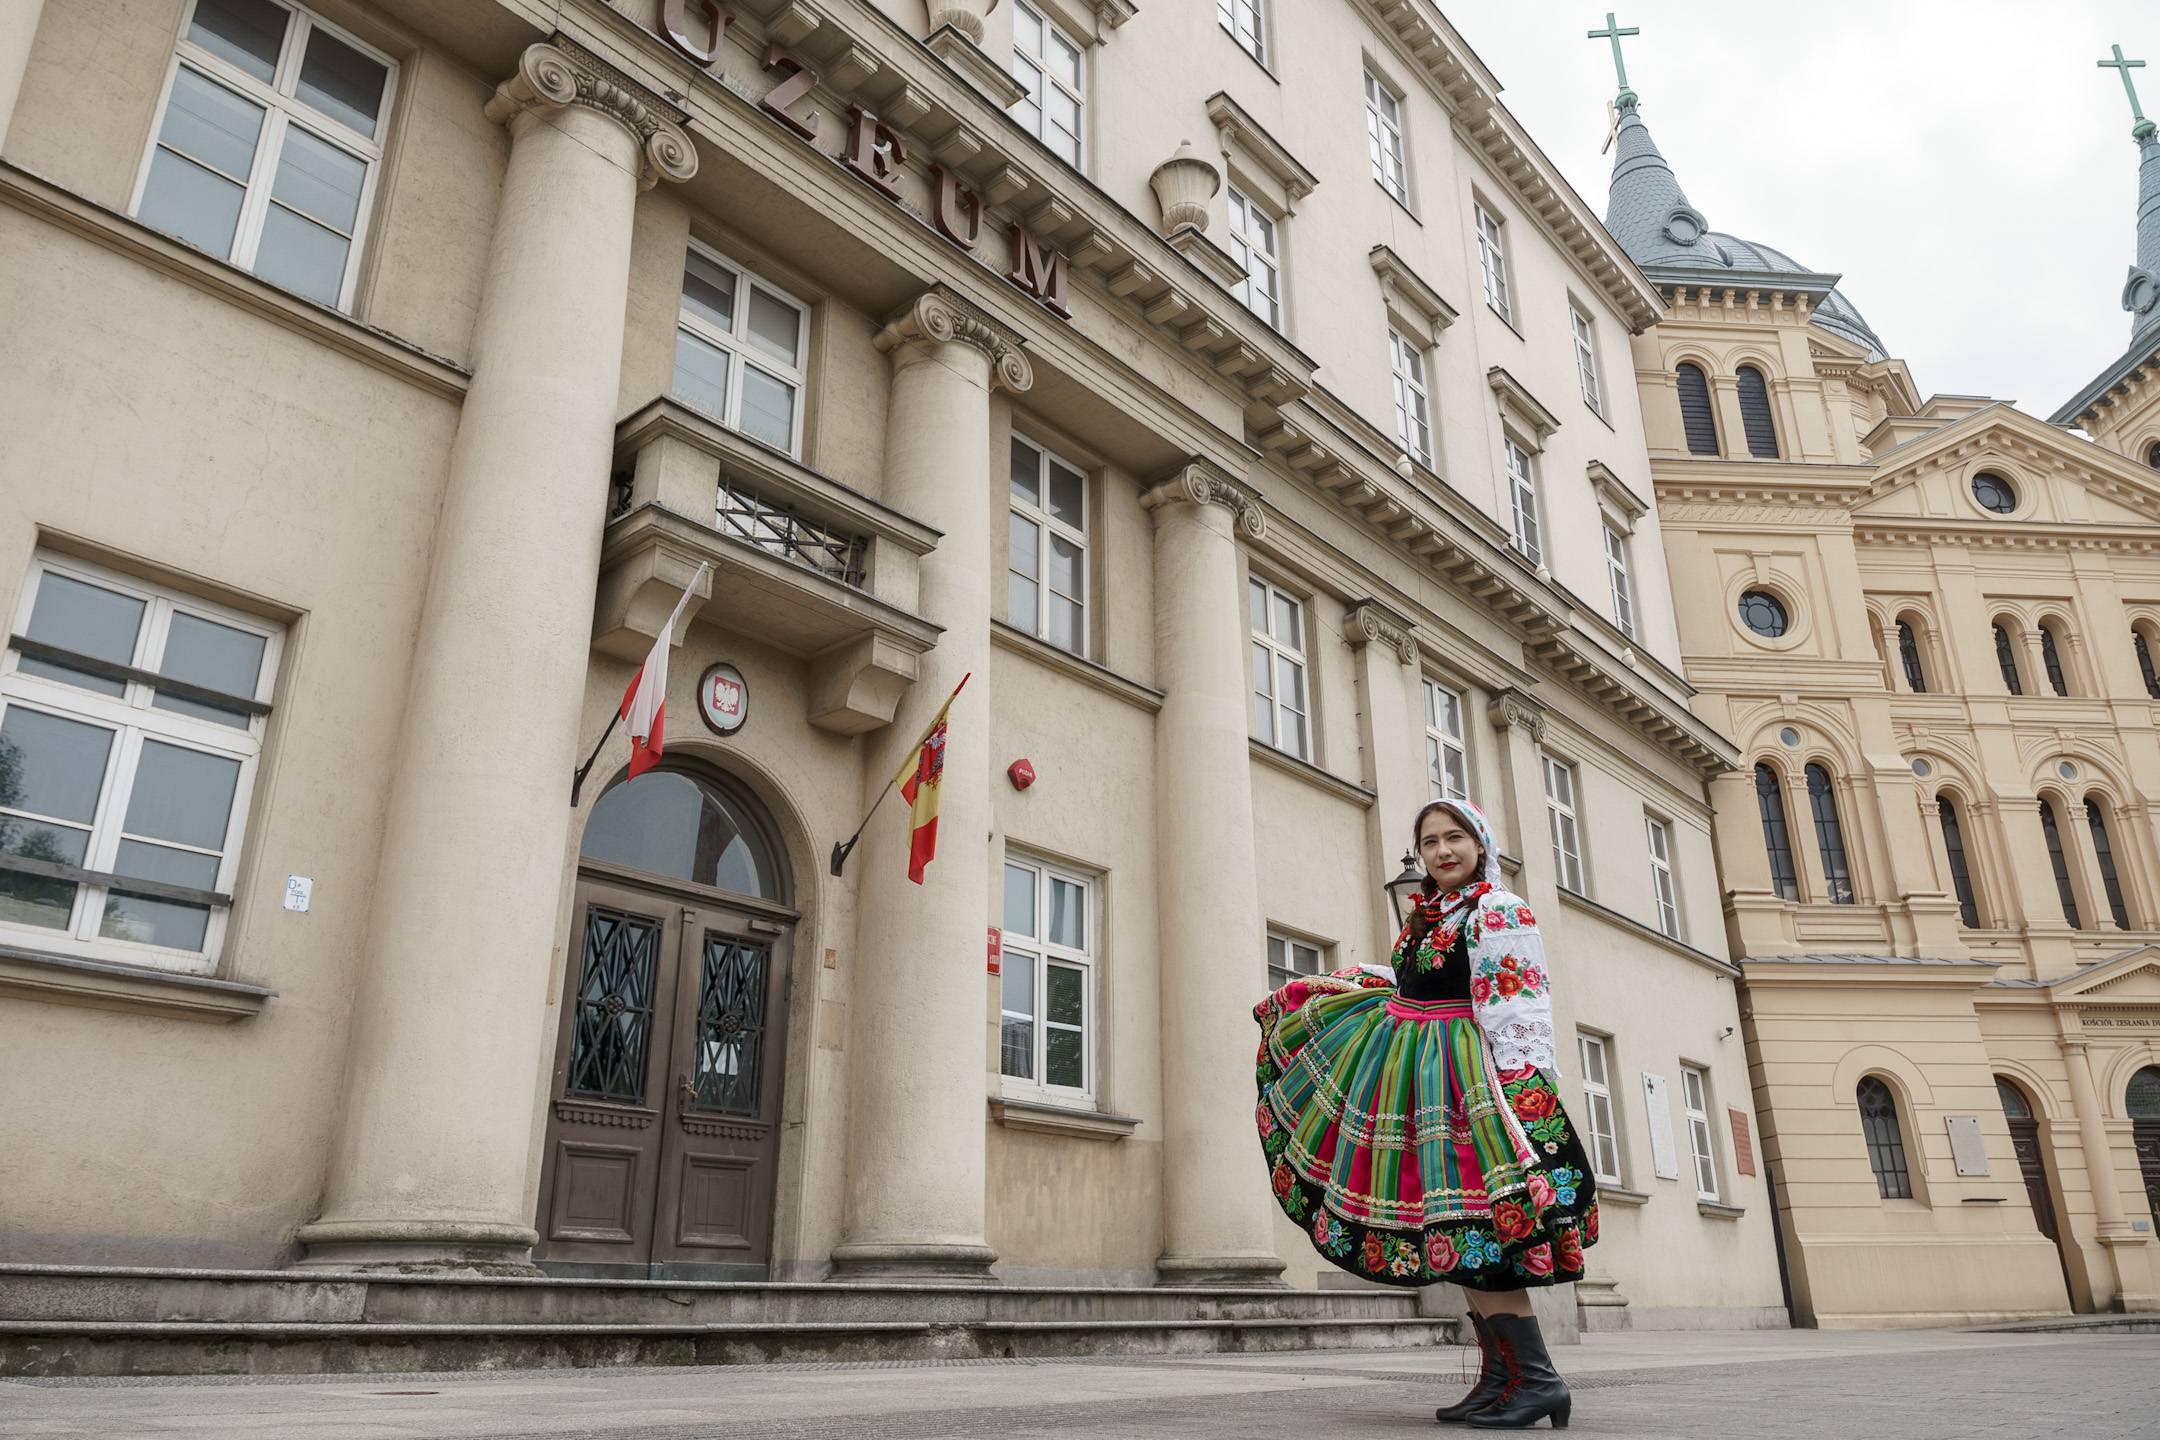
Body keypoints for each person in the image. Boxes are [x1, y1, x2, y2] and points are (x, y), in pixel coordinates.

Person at [1252, 798, 1597, 1430]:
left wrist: (1521, 1098)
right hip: (1424, 1076)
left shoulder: (1498, 909)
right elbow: (1419, 983)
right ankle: (1503, 1378)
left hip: (1468, 1084)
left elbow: (1518, 1006)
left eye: (1454, 837)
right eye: (1430, 842)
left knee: (1481, 1223)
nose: (1442, 851)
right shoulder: (1430, 915)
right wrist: (1357, 983)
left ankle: (1539, 1380)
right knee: (1454, 1226)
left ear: (1480, 843)